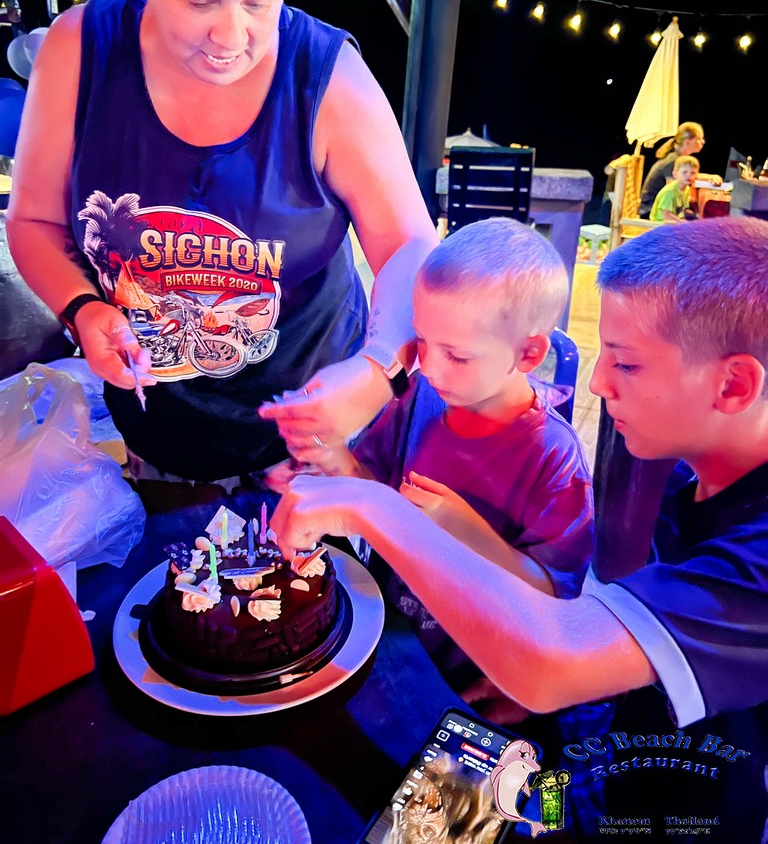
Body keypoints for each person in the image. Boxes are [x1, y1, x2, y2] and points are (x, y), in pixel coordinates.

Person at [273, 216, 768, 837]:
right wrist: (550, 683)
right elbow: (590, 636)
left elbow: (554, 650)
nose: (596, 383)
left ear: (734, 384)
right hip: (599, 746)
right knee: (414, 822)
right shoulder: (663, 462)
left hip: (690, 815)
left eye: (626, 364)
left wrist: (372, 506)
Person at [5, 0, 437, 488]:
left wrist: (378, 371)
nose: (232, 36)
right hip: (155, 430)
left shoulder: (327, 79)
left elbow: (412, 246)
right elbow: (33, 221)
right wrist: (83, 310)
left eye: (260, 1)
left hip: (315, 445)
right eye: (199, 1)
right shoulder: (78, 50)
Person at [296, 217, 593, 717]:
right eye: (422, 342)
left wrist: (460, 526)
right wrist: (331, 455)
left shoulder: (554, 458)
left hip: (477, 673)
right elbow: (373, 493)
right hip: (389, 641)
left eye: (456, 355)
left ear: (529, 353)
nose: (429, 368)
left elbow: (553, 599)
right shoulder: (418, 397)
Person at [638, 120, 715, 219]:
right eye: (699, 138)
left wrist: (710, 177)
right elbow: (669, 199)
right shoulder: (672, 162)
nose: (703, 142)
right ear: (687, 142)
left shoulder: (679, 159)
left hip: (661, 209)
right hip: (652, 213)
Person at [649, 154, 699, 222]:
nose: (688, 176)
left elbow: (684, 210)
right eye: (684, 172)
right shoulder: (669, 191)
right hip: (659, 224)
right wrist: (683, 223)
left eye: (692, 173)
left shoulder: (687, 189)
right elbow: (666, 215)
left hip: (673, 223)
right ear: (675, 174)